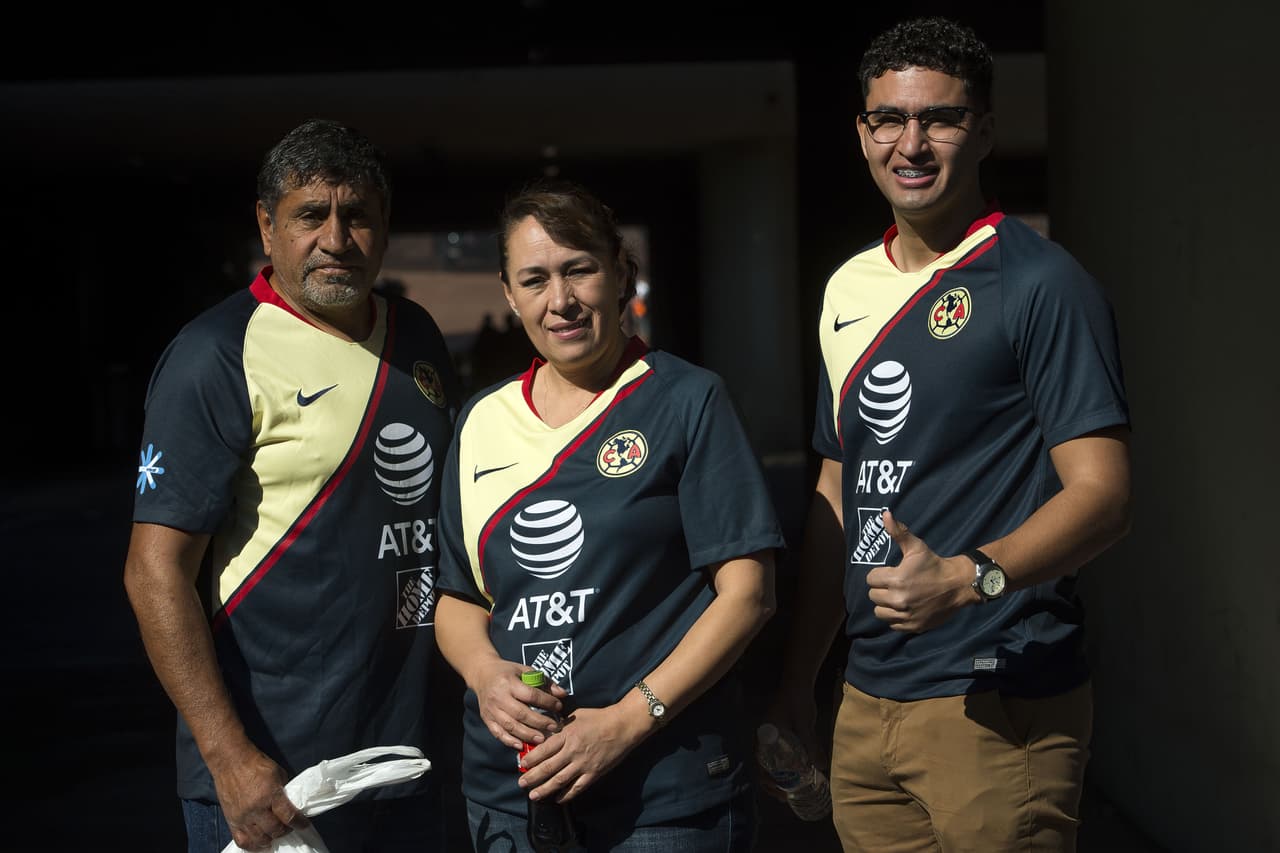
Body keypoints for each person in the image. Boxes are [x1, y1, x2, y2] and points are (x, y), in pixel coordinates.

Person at [767, 16, 1133, 852]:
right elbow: (835, 493)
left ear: (986, 130)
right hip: (867, 703)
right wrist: (801, 680)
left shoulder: (1042, 284)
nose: (913, 142)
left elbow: (1106, 497)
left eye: (940, 117)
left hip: (1000, 703)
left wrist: (971, 579)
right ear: (862, 131)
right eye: (890, 118)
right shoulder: (846, 288)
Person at [122, 118, 460, 853]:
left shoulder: (420, 337)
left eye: (358, 215)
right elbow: (155, 571)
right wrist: (229, 758)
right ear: (266, 225)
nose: (336, 238)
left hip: (410, 763)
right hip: (277, 782)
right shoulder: (213, 355)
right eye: (311, 214)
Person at [434, 178, 785, 852]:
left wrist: (627, 720)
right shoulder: (482, 421)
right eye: (533, 279)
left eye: (579, 270)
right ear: (508, 294)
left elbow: (749, 594)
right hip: (512, 798)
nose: (559, 299)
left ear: (621, 273)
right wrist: (484, 673)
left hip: (664, 798)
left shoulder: (688, 400)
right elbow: (456, 595)